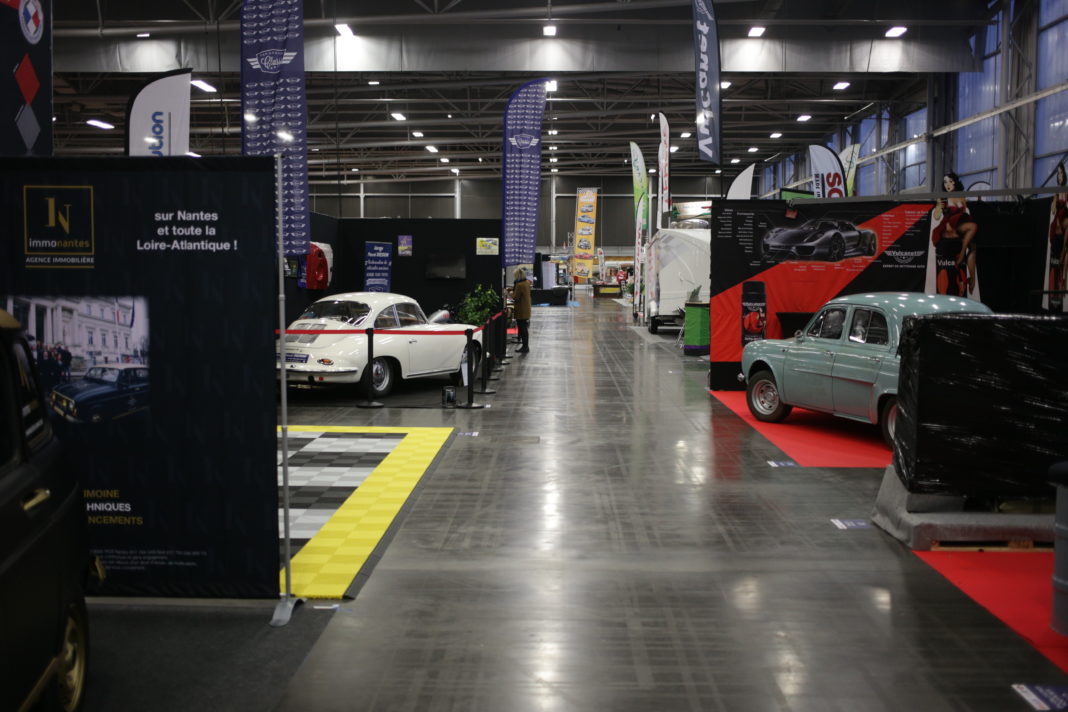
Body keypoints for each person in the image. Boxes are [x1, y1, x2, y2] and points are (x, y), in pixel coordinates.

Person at [930, 171, 978, 296]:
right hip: (949, 227)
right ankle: (963, 254)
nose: (948, 184)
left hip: (960, 225)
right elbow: (936, 217)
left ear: (955, 182)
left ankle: (972, 279)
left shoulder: (961, 196)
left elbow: (965, 213)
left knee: (973, 247)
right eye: (945, 182)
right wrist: (939, 208)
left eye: (950, 181)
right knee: (973, 227)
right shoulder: (943, 198)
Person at [1049, 162, 1068, 311]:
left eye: (1062, 174)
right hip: (1057, 227)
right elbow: (1053, 211)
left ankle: (1062, 293)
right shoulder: (1056, 194)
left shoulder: (1066, 193)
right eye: (1058, 174)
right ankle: (1053, 295)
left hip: (1065, 224)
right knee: (1055, 263)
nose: (1060, 177)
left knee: (1063, 262)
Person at [512, 267, 532, 353]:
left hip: (521, 310)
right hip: (526, 308)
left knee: (522, 328)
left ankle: (525, 347)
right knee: (524, 328)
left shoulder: (519, 285)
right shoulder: (526, 283)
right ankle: (525, 346)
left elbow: (515, 297)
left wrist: (509, 293)